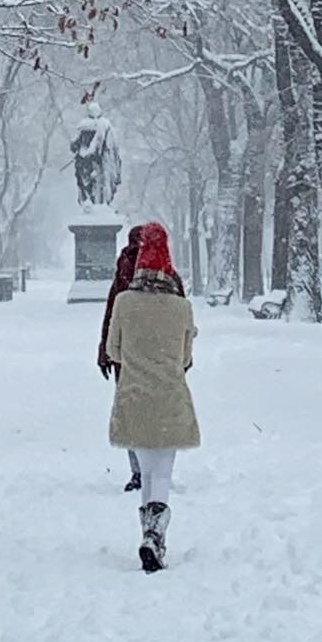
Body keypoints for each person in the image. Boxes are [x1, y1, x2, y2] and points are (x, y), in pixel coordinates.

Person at [105, 222, 199, 573]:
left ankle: (150, 535)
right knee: (162, 472)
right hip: (170, 398)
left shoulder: (125, 302)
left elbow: (114, 349)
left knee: (146, 471)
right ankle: (154, 535)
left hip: (134, 397)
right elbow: (186, 359)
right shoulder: (182, 308)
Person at [100, 225, 145, 492]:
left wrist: (105, 349)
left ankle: (139, 469)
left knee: (131, 410)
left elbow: (111, 311)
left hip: (124, 352)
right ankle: (150, 469)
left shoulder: (124, 269)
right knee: (154, 411)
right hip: (153, 354)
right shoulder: (165, 274)